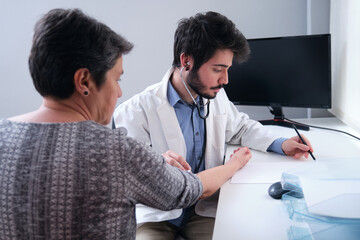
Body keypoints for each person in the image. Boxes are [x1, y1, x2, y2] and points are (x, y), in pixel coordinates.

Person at [0, 9, 253, 240]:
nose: (119, 92)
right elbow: (192, 189)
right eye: (117, 79)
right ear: (84, 81)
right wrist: (234, 164)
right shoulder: (118, 153)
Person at [113, 11, 315, 240]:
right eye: (218, 69)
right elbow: (132, 178)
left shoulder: (215, 96)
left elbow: (240, 127)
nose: (225, 79)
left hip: (204, 210)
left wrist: (281, 143)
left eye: (227, 69)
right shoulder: (135, 111)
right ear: (186, 61)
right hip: (157, 215)